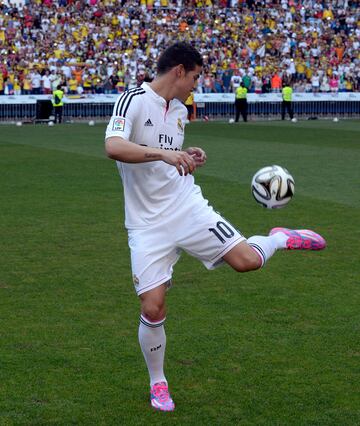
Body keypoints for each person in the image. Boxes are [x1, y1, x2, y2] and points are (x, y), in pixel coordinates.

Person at [104, 42, 326, 413]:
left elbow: (166, 157)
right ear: (179, 70)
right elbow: (114, 146)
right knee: (153, 306)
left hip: (186, 207)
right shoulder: (133, 100)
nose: (195, 85)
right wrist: (165, 153)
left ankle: (278, 238)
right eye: (194, 77)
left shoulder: (178, 111)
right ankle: (158, 383)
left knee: (247, 262)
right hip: (146, 224)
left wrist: (187, 156)